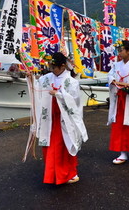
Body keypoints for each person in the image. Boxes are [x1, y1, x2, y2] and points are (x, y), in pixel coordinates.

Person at [33, 52, 88, 185]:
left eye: (54, 67)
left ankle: (68, 173)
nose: (52, 70)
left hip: (64, 119)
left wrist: (59, 94)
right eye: (51, 67)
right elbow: (37, 85)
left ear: (63, 66)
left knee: (64, 146)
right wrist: (31, 79)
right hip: (50, 118)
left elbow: (74, 102)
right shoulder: (46, 78)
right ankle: (54, 175)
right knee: (49, 146)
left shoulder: (72, 82)